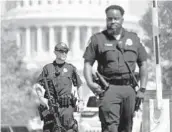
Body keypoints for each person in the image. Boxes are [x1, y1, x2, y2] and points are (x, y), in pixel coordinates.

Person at [83, 5, 148, 132]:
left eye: (116, 19)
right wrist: (91, 84)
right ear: (106, 20)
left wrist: (142, 89)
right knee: (110, 127)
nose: (113, 22)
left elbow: (143, 64)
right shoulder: (98, 39)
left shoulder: (133, 39)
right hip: (108, 89)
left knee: (126, 127)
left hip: (129, 89)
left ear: (122, 20)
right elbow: (87, 64)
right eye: (110, 19)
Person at [33, 42, 82, 132]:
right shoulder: (48, 68)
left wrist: (81, 101)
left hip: (66, 108)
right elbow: (37, 85)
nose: (64, 54)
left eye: (66, 52)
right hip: (51, 106)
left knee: (70, 129)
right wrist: (41, 98)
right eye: (61, 51)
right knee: (49, 129)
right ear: (55, 52)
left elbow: (79, 84)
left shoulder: (70, 68)